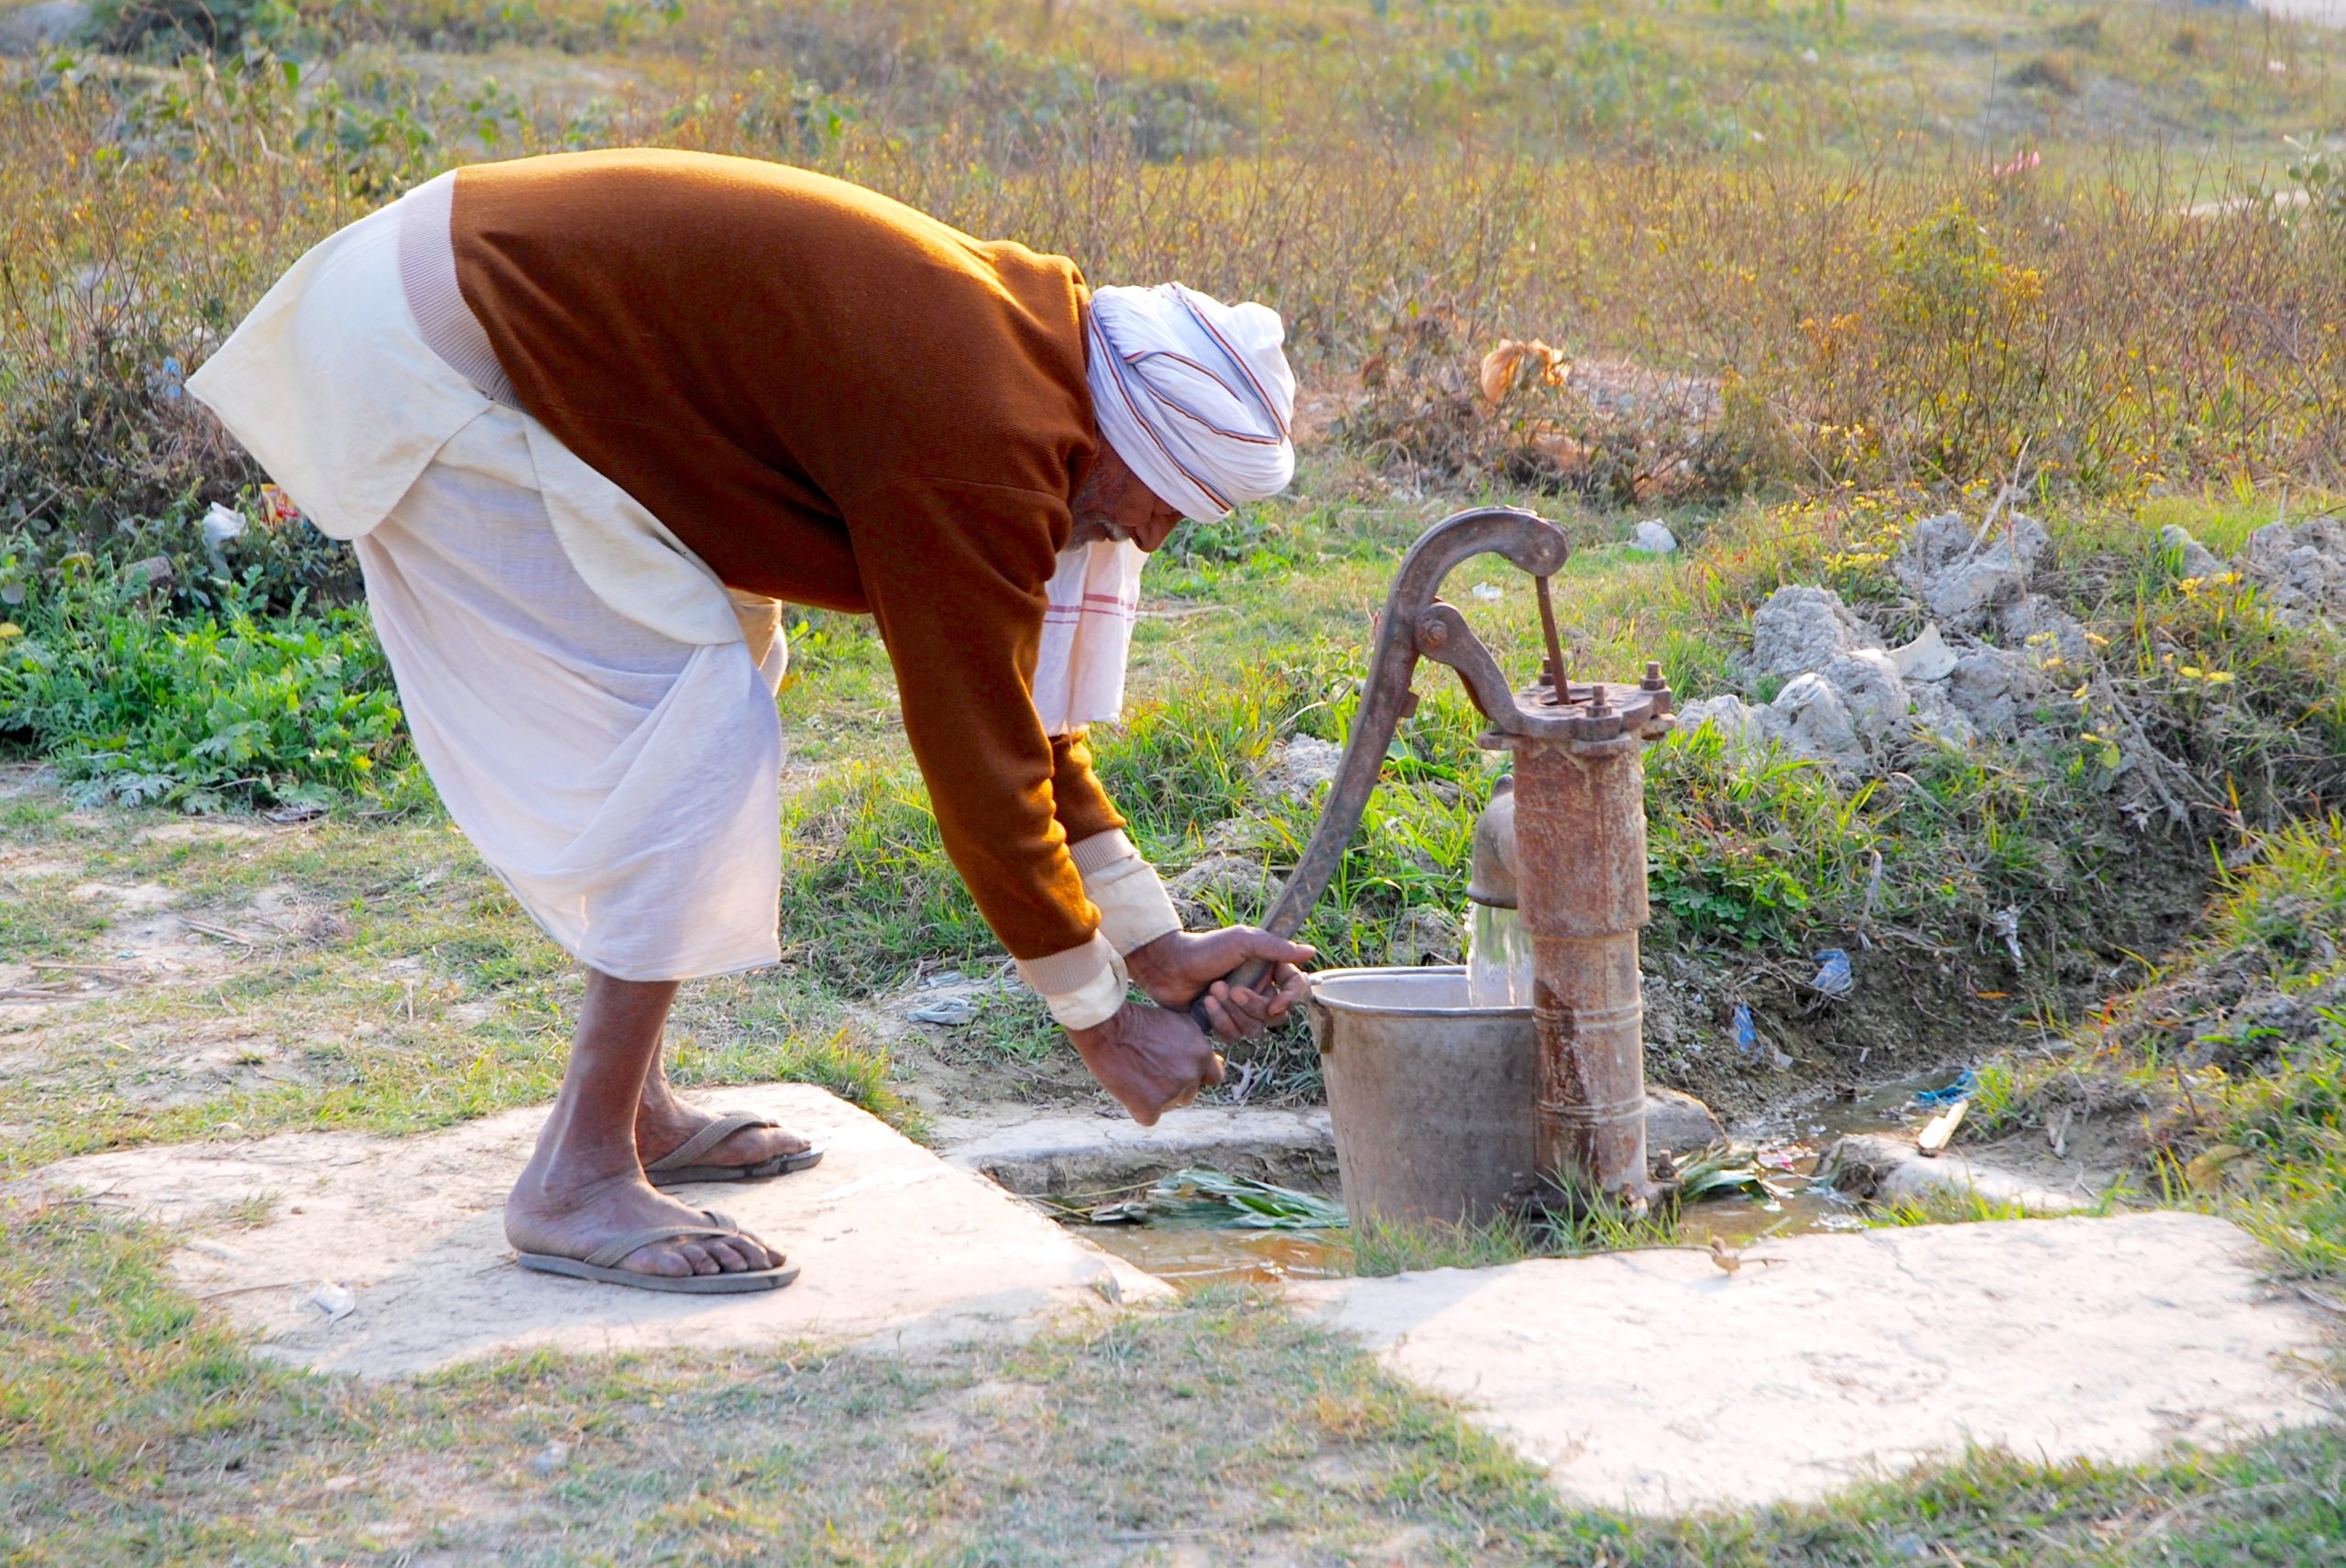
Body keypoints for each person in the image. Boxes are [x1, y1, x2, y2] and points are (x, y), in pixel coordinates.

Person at [189, 148, 1314, 1295]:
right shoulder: (991, 444)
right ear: (1133, 439)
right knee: (696, 728)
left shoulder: (1035, 359)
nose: (1151, 537)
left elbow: (1020, 720)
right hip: (450, 344)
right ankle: (576, 1173)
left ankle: (631, 1110)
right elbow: (981, 763)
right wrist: (1103, 1028)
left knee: (723, 678)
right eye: (1170, 502)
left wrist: (1150, 944)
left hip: (451, 298)